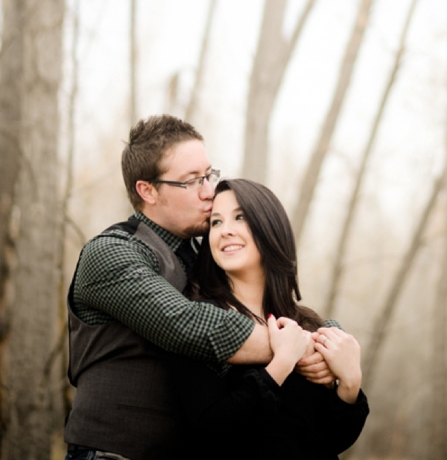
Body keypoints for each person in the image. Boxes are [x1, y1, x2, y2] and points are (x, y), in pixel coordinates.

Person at [64, 115, 332, 460]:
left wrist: (332, 339)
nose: (209, 191)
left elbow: (270, 304)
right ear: (147, 190)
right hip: (112, 454)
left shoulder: (206, 254)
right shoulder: (112, 253)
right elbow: (187, 325)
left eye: (209, 175)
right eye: (192, 182)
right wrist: (302, 348)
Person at [170, 178, 369, 460]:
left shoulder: (305, 323)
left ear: (269, 227)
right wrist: (281, 364)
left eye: (240, 217)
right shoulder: (200, 320)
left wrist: (350, 383)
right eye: (215, 222)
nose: (225, 231)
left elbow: (331, 438)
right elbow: (211, 432)